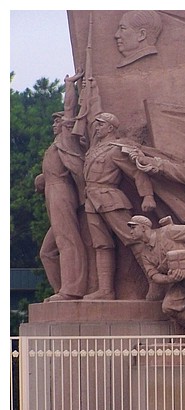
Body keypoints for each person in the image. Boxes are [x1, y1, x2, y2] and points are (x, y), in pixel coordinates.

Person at [83, 112, 157, 299]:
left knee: (135, 239)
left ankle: (155, 282)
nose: (96, 128)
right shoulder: (94, 149)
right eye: (96, 125)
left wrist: (147, 195)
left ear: (110, 127)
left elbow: (137, 172)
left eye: (100, 125)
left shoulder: (115, 149)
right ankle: (106, 291)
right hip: (91, 201)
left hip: (111, 199)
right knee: (102, 245)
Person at [36, 70, 88, 301]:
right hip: (51, 192)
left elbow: (70, 109)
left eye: (59, 121)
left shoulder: (66, 138)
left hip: (62, 191)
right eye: (54, 121)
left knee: (67, 239)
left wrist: (69, 85)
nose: (56, 124)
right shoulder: (56, 145)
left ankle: (72, 290)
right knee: (47, 251)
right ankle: (61, 291)